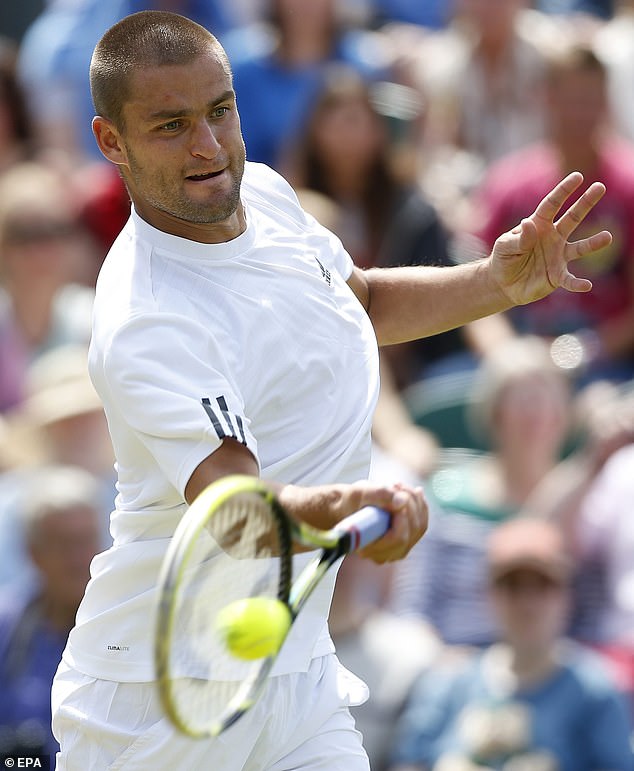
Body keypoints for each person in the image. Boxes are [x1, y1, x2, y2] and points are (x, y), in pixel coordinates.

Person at [51, 10, 612, 771]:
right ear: (110, 141)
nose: (209, 146)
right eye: (171, 124)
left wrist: (493, 282)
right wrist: (348, 504)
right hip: (155, 701)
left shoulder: (271, 196)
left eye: (220, 111)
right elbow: (237, 516)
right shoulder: (147, 319)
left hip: (296, 671)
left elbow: (365, 303)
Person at [387, 516, 634, 771]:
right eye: (512, 586)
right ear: (489, 595)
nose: (527, 604)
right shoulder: (450, 683)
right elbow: (408, 762)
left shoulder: (595, 692)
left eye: (542, 585)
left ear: (566, 594)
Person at [468, 41, 634, 387]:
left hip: (605, 361)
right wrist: (505, 354)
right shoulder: (508, 183)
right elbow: (470, 280)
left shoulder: (629, 185)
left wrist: (580, 352)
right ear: (546, 100)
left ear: (606, 103)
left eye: (589, 100)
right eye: (569, 100)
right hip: (520, 350)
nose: (579, 113)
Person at [389, 336, 574, 646]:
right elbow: (412, 603)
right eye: (522, 399)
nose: (535, 413)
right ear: (494, 414)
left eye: (546, 399)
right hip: (453, 661)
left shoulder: (589, 501)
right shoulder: (446, 498)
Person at [0, 464, 103, 763]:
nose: (77, 559)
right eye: (62, 544)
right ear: (33, 552)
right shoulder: (7, 626)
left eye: (85, 541)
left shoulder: (131, 626)